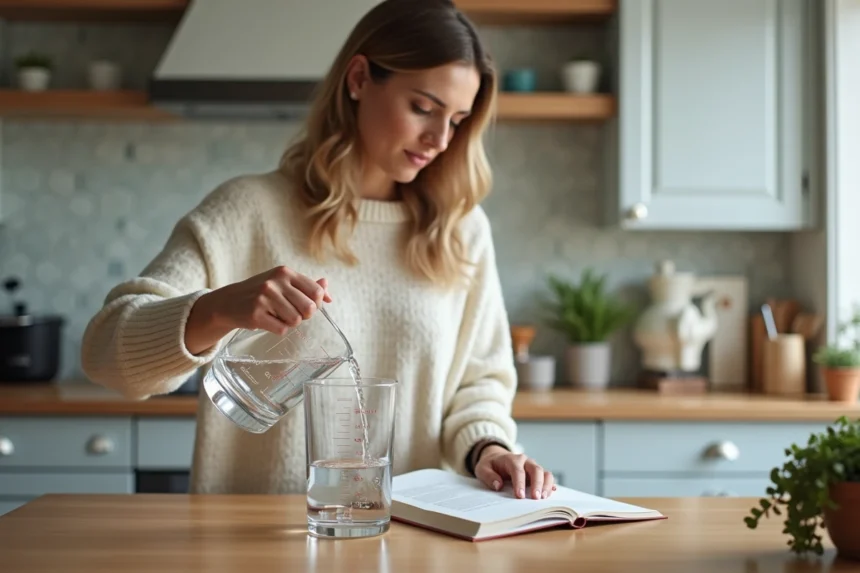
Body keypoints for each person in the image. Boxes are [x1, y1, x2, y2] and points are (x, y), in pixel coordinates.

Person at [81, 0, 556, 501]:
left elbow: (478, 384)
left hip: (411, 535)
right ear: (357, 79)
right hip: (253, 540)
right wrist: (218, 308)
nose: (439, 138)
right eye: (423, 107)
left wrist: (489, 448)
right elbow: (105, 351)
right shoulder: (247, 211)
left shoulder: (460, 231)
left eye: (457, 120)